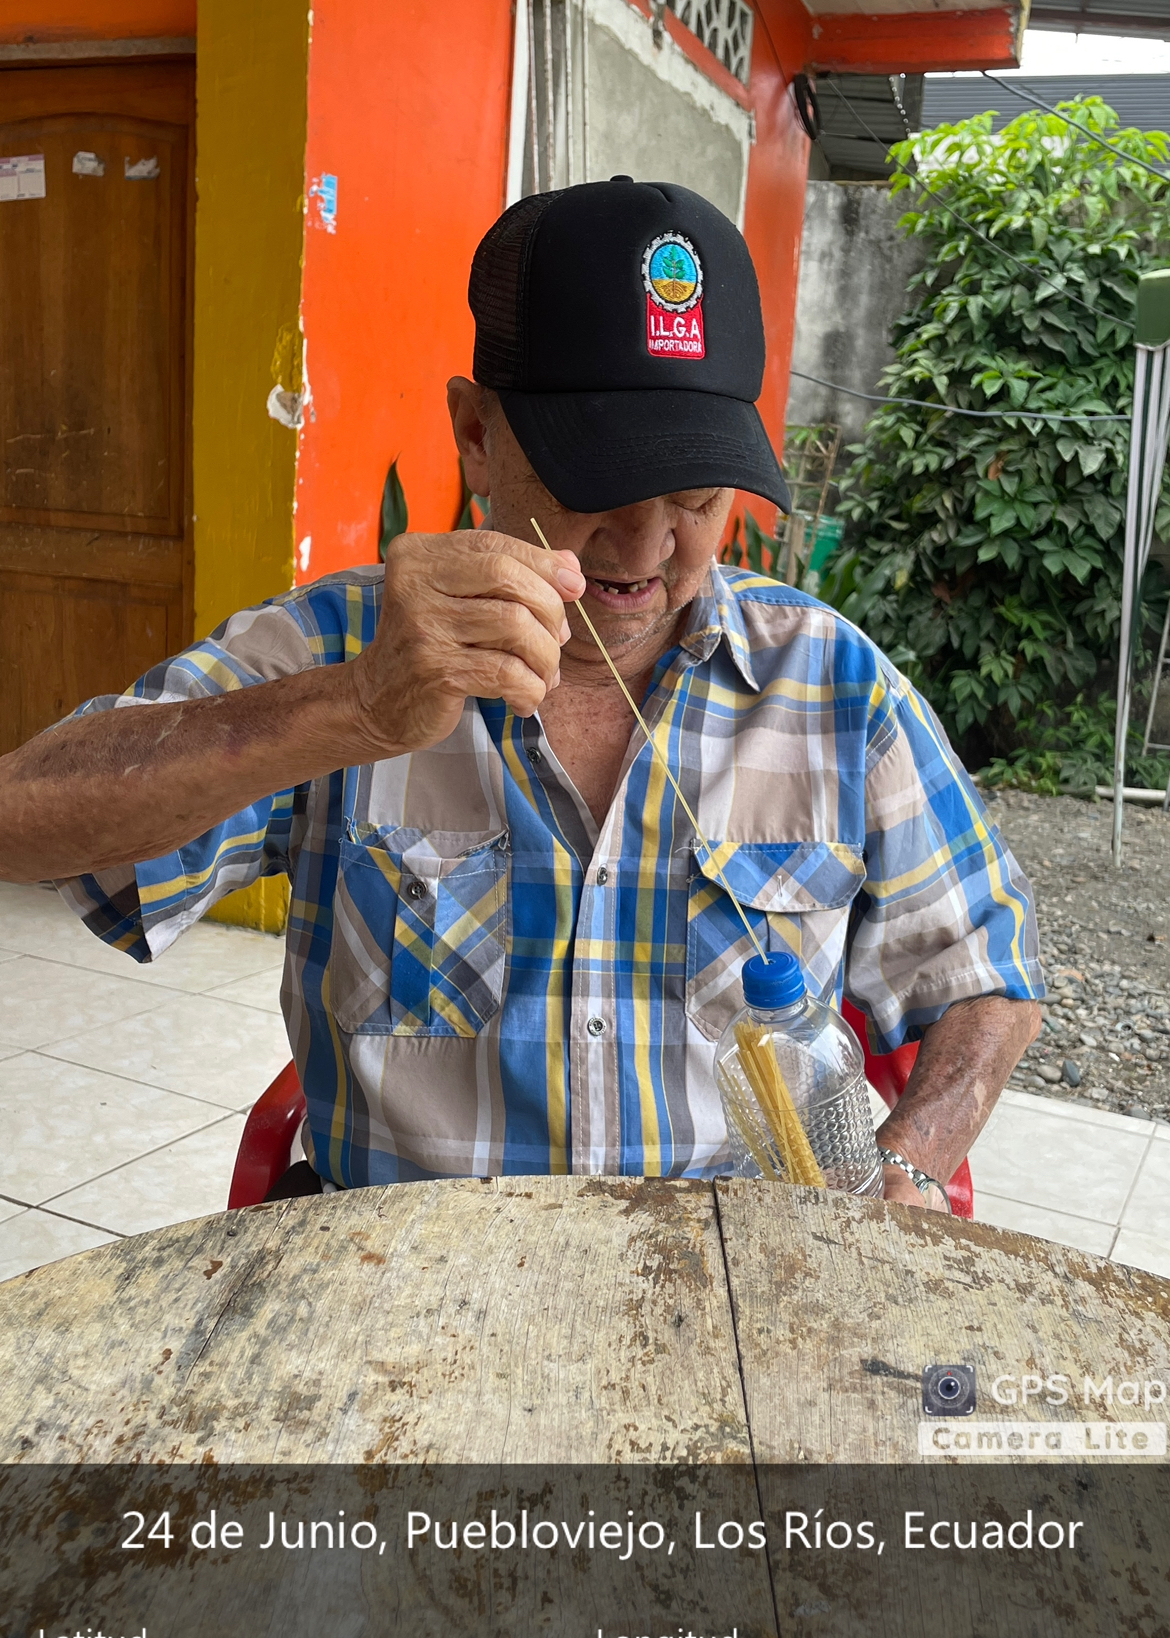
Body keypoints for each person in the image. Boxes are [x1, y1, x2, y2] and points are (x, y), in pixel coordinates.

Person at [0, 179, 1042, 1206]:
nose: (645, 545)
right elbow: (24, 824)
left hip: (730, 1279)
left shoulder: (831, 685)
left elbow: (986, 970)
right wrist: (351, 707)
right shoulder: (344, 647)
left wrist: (911, 1165)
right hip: (405, 1276)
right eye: (597, 480)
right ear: (476, 433)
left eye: (694, 492)